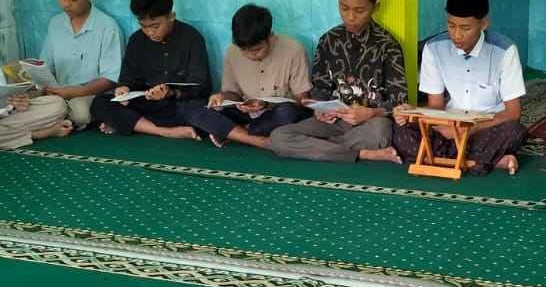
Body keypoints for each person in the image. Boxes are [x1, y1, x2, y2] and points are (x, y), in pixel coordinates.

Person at [392, 0, 528, 175]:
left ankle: (441, 157)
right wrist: (411, 112)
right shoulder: (433, 48)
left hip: (485, 128)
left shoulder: (505, 50)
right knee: (401, 130)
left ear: (483, 24)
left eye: (465, 28)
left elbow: (513, 113)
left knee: (515, 131)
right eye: (451, 26)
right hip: (448, 126)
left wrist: (471, 128)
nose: (456, 35)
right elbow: (436, 107)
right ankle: (483, 160)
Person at [270, 0, 408, 164]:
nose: (350, 17)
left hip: (369, 123)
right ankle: (364, 153)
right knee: (279, 136)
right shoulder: (328, 40)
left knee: (380, 132)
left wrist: (372, 112)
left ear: (375, 8)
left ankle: (318, 148)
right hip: (333, 122)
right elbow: (320, 88)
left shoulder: (388, 45)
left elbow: (399, 101)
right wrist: (320, 109)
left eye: (359, 11)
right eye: (344, 8)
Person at [191, 4, 312, 150]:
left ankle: (235, 132)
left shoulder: (293, 49)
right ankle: (254, 136)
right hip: (246, 114)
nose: (250, 55)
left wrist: (266, 104)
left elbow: (302, 99)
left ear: (270, 36)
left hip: (276, 114)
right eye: (244, 50)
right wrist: (222, 98)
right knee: (201, 109)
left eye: (257, 50)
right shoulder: (232, 52)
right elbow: (232, 94)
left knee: (287, 113)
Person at [90, 0, 212, 140]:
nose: (150, 32)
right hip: (147, 104)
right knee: (100, 103)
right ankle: (164, 131)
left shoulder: (191, 38)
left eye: (156, 26)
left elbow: (201, 86)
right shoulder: (137, 40)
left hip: (178, 105)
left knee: (201, 112)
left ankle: (132, 124)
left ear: (171, 16)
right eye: (143, 26)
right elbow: (128, 79)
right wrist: (124, 89)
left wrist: (171, 93)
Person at [39, 0, 124, 129]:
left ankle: (50, 119)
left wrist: (77, 92)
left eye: (72, 0)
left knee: (81, 114)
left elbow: (111, 79)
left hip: (89, 93)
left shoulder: (107, 27)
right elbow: (45, 65)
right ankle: (55, 118)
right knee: (26, 100)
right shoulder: (55, 23)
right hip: (59, 91)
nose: (65, 5)